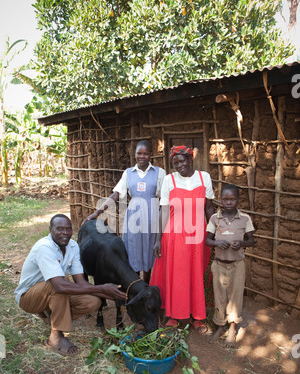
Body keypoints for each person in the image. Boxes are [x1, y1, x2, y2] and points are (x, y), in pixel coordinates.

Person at [14, 214, 126, 357]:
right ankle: (56, 337)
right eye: (59, 229)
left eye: (68, 229)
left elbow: (81, 283)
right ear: (50, 230)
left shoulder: (72, 246)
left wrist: (113, 294)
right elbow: (59, 286)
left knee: (93, 301)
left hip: (50, 294)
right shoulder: (44, 247)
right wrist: (100, 288)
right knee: (56, 286)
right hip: (28, 297)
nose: (65, 233)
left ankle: (52, 317)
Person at [150, 145, 215, 332]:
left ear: (190, 159)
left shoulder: (204, 178)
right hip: (174, 236)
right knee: (176, 275)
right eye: (175, 163)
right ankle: (173, 315)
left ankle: (198, 317)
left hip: (198, 237)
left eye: (182, 161)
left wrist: (216, 232)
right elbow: (163, 212)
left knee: (197, 274)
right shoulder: (169, 180)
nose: (178, 166)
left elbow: (209, 208)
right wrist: (157, 239)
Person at [83, 140, 166, 284]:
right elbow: (116, 195)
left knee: (149, 250)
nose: (142, 156)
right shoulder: (128, 173)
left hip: (152, 216)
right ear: (134, 154)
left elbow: (165, 198)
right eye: (139, 153)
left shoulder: (160, 173)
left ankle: (146, 285)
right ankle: (134, 285)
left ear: (150, 155)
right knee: (133, 250)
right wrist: (96, 213)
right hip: (133, 216)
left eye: (145, 154)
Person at [205, 183, 255, 346]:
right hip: (219, 264)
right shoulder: (215, 218)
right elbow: (207, 240)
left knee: (235, 296)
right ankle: (220, 326)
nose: (228, 202)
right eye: (225, 199)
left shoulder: (245, 218)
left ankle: (232, 328)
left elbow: (252, 240)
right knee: (219, 295)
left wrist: (241, 243)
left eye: (232, 199)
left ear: (238, 200)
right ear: (220, 200)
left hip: (237, 265)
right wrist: (217, 243)